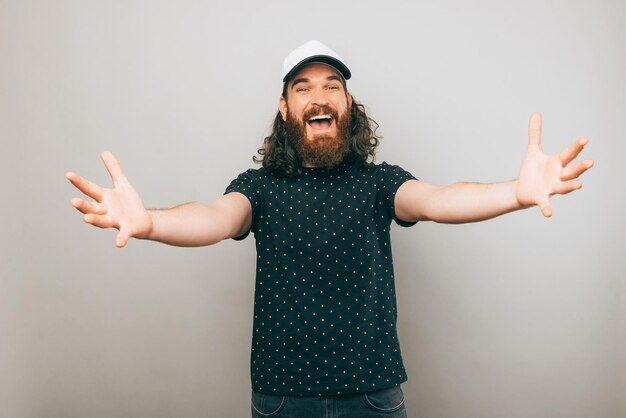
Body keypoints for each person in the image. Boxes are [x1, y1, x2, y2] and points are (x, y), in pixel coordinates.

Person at [65, 40, 594, 418]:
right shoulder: (258, 188)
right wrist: (151, 221)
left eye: (332, 86)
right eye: (303, 87)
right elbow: (214, 217)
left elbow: (438, 200)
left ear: (346, 105)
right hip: (281, 398)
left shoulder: (378, 183)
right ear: (285, 107)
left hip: (372, 396)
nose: (319, 97)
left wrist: (516, 193)